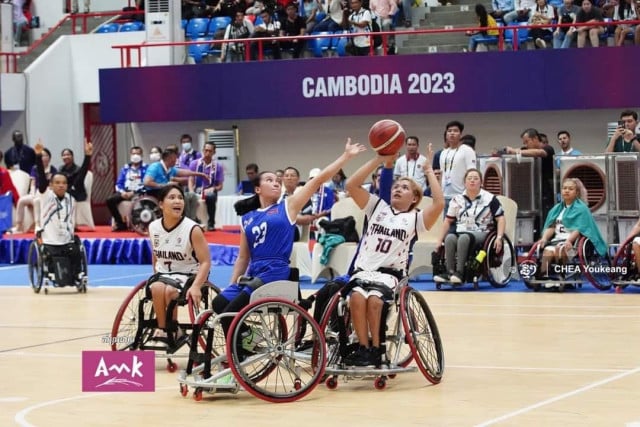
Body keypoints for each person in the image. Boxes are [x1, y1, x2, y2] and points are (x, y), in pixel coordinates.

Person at [211, 139, 366, 352]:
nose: (276, 182)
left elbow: (319, 179)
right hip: (254, 273)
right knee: (219, 304)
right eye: (269, 180)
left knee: (230, 313)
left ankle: (239, 357)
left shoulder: (288, 206)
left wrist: (346, 157)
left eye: (278, 180)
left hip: (275, 272)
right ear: (257, 189)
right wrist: (231, 284)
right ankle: (251, 340)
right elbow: (243, 258)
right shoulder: (247, 217)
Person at [340, 143, 444, 367]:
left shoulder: (415, 219)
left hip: (390, 274)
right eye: (396, 185)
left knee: (375, 301)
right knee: (356, 298)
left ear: (415, 197)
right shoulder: (377, 207)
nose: (397, 189)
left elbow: (439, 203)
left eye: (405, 187)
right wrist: (379, 159)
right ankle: (363, 348)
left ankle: (377, 350)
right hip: (364, 270)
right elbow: (351, 184)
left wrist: (428, 171)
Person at [147, 184, 211, 343]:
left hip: (189, 274)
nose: (178, 201)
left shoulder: (193, 229)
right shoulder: (153, 227)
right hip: (164, 274)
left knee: (170, 291)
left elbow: (206, 262)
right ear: (161, 204)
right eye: (172, 197)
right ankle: (164, 330)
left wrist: (196, 286)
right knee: (156, 287)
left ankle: (174, 329)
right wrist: (155, 276)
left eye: (180, 198)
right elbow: (155, 255)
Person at [433, 168, 506, 284]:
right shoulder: (457, 200)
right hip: (462, 229)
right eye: (469, 178)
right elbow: (447, 221)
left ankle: (460, 273)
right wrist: (439, 240)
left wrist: (499, 237)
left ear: (481, 182)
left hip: (482, 231)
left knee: (464, 238)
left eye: (476, 178)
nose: (472, 181)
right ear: (465, 182)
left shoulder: (490, 199)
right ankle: (450, 272)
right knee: (450, 238)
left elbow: (501, 218)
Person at [535, 178, 607, 282]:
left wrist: (569, 240)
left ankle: (561, 275)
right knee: (548, 251)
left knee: (560, 249)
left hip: (573, 244)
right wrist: (544, 238)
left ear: (577, 192)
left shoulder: (582, 209)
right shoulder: (557, 209)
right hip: (556, 241)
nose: (566, 191)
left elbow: (579, 228)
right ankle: (543, 276)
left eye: (570, 189)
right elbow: (551, 226)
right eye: (564, 188)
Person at [34, 143, 84, 285]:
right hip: (50, 240)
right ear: (51, 185)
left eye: (64, 183)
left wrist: (87, 156)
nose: (61, 185)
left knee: (75, 252)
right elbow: (41, 178)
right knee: (51, 258)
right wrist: (38, 156)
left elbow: (81, 177)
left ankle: (76, 276)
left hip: (67, 240)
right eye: (57, 182)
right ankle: (53, 274)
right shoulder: (46, 195)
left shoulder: (70, 198)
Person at [143, 147, 209, 222]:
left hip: (166, 193)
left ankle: (192, 219)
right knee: (184, 198)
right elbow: (146, 182)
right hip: (155, 193)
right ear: (169, 158)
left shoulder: (170, 169)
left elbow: (185, 172)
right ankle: (186, 221)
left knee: (192, 196)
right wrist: (164, 185)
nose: (177, 160)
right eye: (175, 158)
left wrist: (200, 174)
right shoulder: (155, 167)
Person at [14, 147, 57, 233]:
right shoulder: (35, 168)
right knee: (21, 200)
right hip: (36, 193)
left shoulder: (53, 169)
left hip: (47, 194)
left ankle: (37, 225)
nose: (43, 158)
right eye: (42, 155)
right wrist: (32, 193)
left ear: (49, 158)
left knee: (37, 201)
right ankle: (18, 226)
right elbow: (32, 183)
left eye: (46, 155)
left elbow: (53, 184)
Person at [106, 146, 147, 232]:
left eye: (138, 153)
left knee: (139, 200)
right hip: (125, 191)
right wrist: (122, 192)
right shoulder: (125, 168)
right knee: (110, 200)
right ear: (130, 155)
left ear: (142, 155)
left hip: (138, 192)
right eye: (133, 153)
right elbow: (118, 183)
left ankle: (137, 223)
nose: (135, 155)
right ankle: (120, 223)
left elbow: (146, 183)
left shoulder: (146, 168)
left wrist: (133, 192)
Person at [189, 142, 224, 231]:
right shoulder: (194, 163)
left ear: (214, 152)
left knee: (211, 196)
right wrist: (191, 191)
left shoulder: (218, 166)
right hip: (196, 189)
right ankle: (192, 221)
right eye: (206, 150)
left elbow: (220, 186)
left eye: (210, 151)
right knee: (187, 196)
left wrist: (213, 188)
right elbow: (191, 179)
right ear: (203, 151)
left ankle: (211, 223)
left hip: (209, 191)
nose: (207, 153)